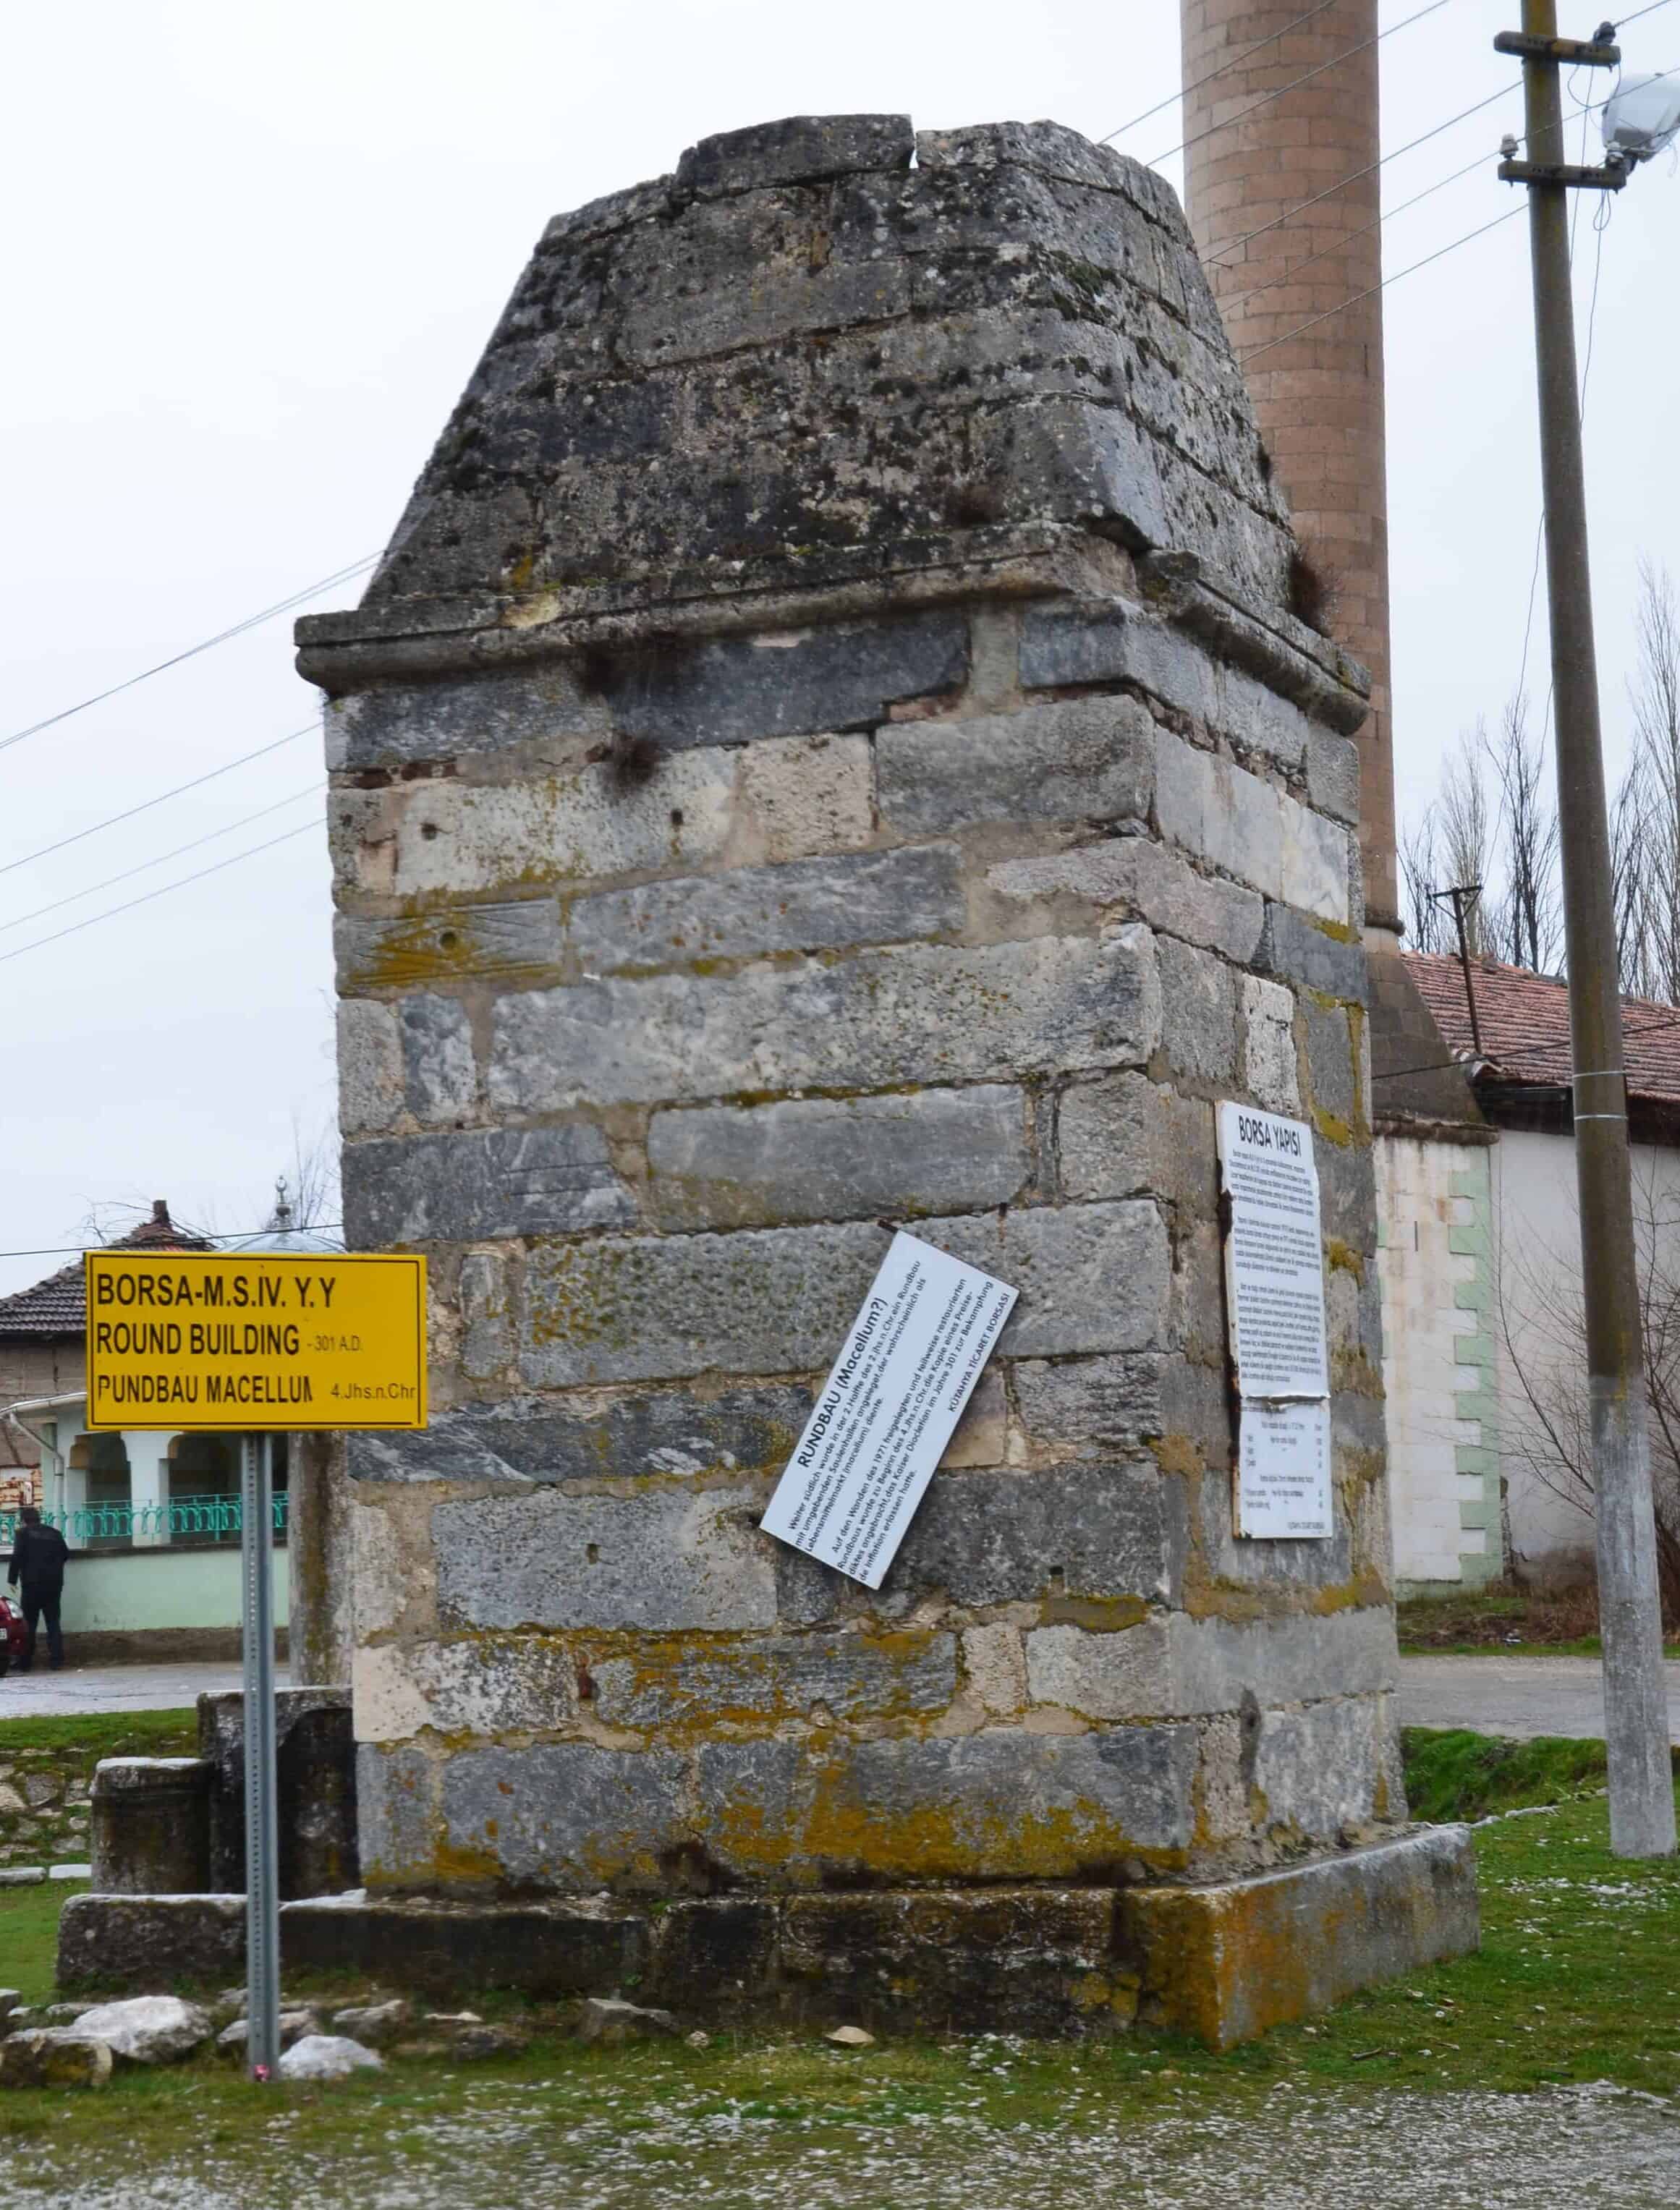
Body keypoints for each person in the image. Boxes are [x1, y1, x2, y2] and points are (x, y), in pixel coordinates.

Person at [7, 1508, 69, 1673]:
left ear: (24, 1520)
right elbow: (65, 1554)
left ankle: (26, 1662)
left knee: (29, 1624)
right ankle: (56, 1661)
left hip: (31, 1585)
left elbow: (17, 1557)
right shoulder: (54, 1533)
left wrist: (12, 1579)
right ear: (39, 1518)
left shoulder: (23, 1534)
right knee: (53, 1622)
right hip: (53, 1585)